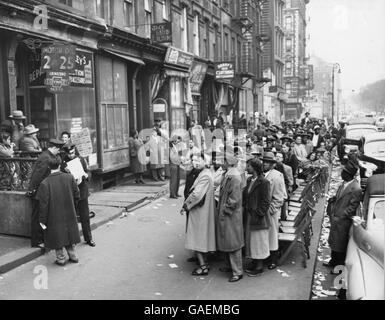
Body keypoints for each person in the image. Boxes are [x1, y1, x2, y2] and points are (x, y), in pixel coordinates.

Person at [36, 157, 81, 266]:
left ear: (48, 167)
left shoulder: (45, 183)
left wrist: (42, 220)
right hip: (69, 212)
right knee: (69, 234)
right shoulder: (69, 177)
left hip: (54, 215)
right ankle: (73, 255)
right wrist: (72, 206)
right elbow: (77, 195)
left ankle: (61, 258)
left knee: (57, 235)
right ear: (60, 165)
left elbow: (43, 205)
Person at [180, 154, 216, 276]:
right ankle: (204, 262)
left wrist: (186, 206)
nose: (195, 162)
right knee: (201, 237)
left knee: (197, 238)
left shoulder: (205, 175)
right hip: (202, 210)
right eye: (193, 160)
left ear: (204, 161)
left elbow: (196, 194)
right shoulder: (205, 173)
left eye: (198, 160)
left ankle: (203, 266)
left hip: (200, 211)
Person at [27, 139, 65, 247]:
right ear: (54, 148)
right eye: (58, 149)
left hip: (42, 191)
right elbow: (37, 177)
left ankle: (41, 239)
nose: (58, 152)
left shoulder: (48, 156)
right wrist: (32, 190)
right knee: (38, 216)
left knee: (42, 215)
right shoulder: (46, 158)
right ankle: (37, 241)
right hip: (38, 192)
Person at [325, 161, 362, 272]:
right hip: (335, 217)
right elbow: (339, 197)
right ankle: (333, 261)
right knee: (333, 242)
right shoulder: (344, 183)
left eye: (344, 172)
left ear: (349, 174)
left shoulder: (356, 189)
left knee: (340, 246)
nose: (341, 174)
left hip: (343, 221)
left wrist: (341, 217)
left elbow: (352, 207)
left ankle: (338, 268)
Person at [216, 147, 244, 282]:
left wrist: (225, 210)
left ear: (228, 162)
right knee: (228, 241)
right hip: (228, 214)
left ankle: (237, 271)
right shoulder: (229, 174)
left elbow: (234, 199)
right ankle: (230, 266)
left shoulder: (234, 177)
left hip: (231, 215)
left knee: (233, 243)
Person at [61, 143, 95, 247]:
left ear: (75, 151)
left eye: (72, 153)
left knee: (85, 216)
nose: (71, 155)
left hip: (82, 191)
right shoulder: (63, 161)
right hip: (70, 192)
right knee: (71, 217)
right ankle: (73, 240)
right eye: (69, 153)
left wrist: (85, 175)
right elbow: (61, 176)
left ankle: (89, 238)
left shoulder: (81, 159)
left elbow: (88, 172)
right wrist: (65, 172)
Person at [243, 158, 271, 276]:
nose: (246, 168)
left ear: (254, 168)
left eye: (248, 166)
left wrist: (258, 213)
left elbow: (266, 201)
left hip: (259, 217)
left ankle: (259, 267)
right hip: (250, 215)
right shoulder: (250, 180)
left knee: (259, 240)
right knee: (252, 240)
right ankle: (255, 262)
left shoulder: (264, 182)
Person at [262, 151, 287, 270]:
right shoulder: (263, 174)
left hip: (271, 211)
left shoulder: (276, 176)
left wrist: (270, 210)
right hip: (263, 210)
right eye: (264, 162)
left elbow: (279, 197)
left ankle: (273, 259)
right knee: (264, 236)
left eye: (268, 162)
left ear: (273, 164)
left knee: (272, 235)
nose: (265, 164)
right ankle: (265, 257)